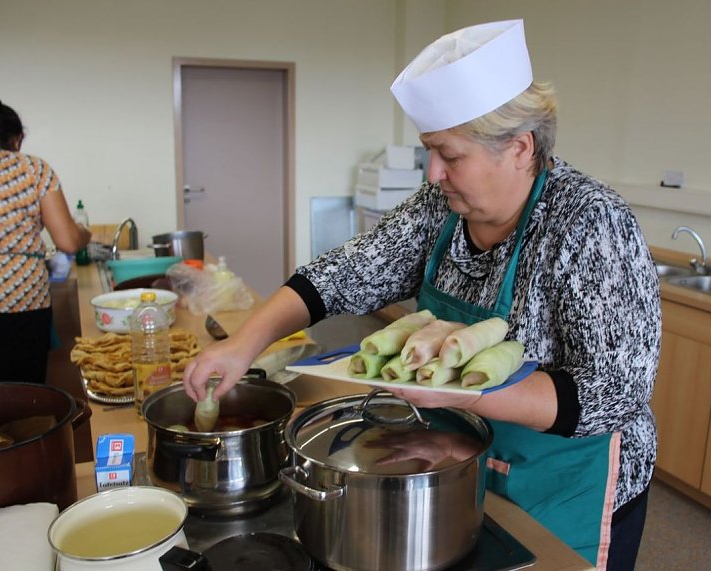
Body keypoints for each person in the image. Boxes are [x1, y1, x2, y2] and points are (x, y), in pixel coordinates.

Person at [184, 20, 660, 571]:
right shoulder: (442, 207)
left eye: (449, 156)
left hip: (570, 483)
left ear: (519, 148)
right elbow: (344, 273)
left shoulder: (590, 223)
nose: (433, 173)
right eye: (429, 152)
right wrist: (244, 344)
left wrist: (465, 392)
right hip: (456, 459)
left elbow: (617, 391)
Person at [0, 92, 91, 384]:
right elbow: (68, 241)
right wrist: (85, 232)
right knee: (23, 396)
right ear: (17, 139)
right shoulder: (34, 169)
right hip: (22, 301)